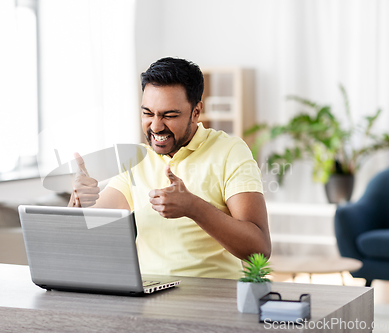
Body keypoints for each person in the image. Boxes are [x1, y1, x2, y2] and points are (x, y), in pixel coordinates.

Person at [69, 57, 271, 279]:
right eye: (148, 113)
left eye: (169, 115)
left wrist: (194, 208)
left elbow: (259, 249)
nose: (156, 126)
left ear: (196, 111)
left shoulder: (230, 151)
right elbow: (86, 228)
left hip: (215, 299)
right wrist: (79, 200)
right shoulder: (136, 159)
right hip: (147, 297)